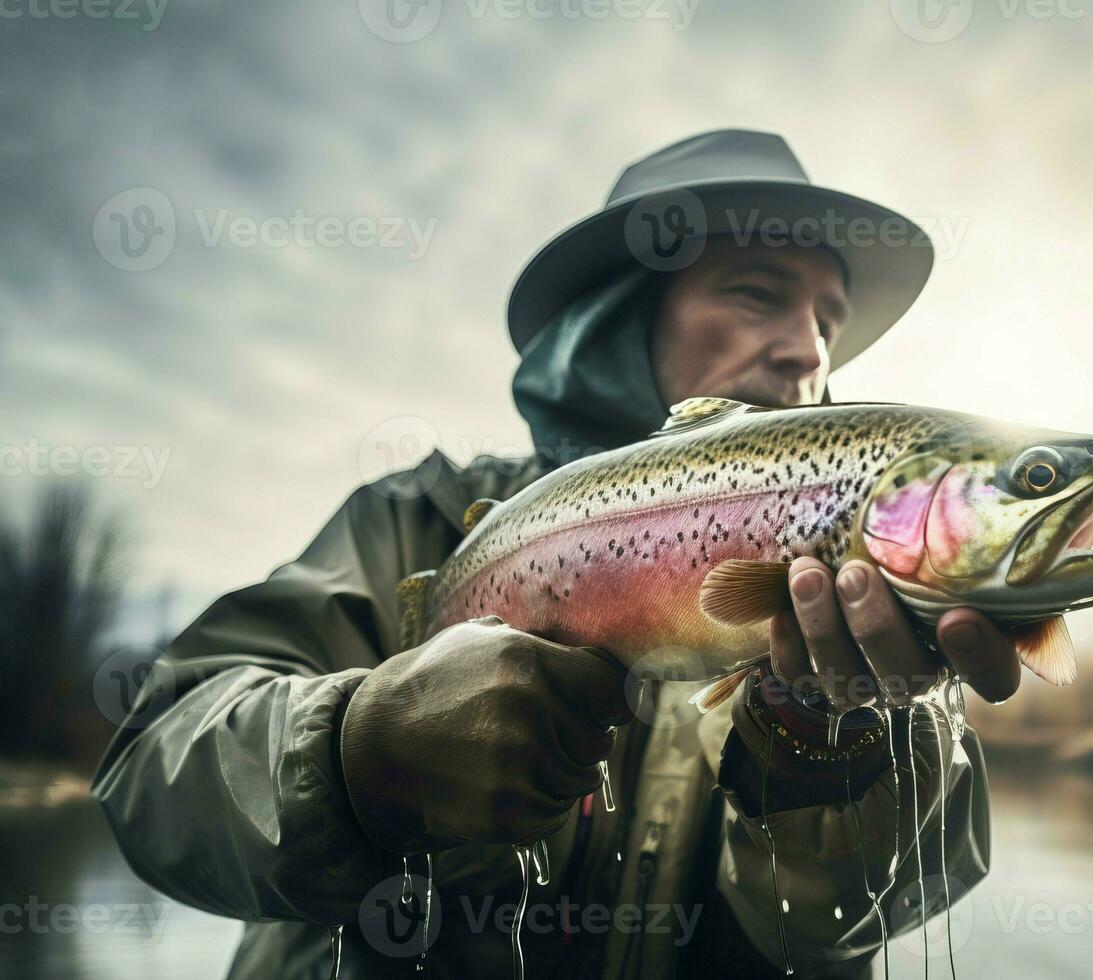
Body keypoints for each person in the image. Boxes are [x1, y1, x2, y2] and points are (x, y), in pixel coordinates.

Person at [92, 129, 1021, 978]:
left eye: (828, 318)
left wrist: (839, 757)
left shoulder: (878, 587)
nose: (805, 350)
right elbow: (150, 764)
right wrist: (358, 753)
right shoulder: (419, 517)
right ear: (619, 320)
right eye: (756, 293)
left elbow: (859, 918)